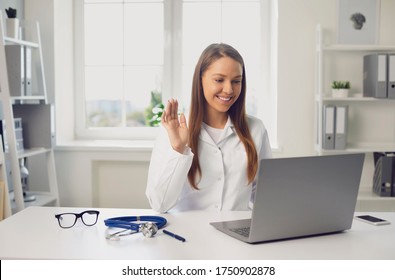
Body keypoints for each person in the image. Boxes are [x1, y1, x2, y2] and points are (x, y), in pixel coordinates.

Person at [146, 43, 272, 213]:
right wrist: (178, 149)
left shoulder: (256, 129)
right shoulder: (172, 131)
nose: (229, 90)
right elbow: (159, 205)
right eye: (219, 80)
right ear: (200, 80)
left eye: (236, 81)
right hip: (188, 236)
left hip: (236, 237)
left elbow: (264, 197)